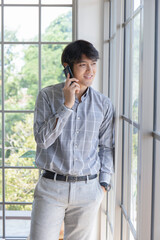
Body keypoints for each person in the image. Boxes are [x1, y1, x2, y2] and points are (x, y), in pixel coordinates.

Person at [30, 40, 114, 240]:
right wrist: (67, 106)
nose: (90, 70)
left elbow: (106, 147)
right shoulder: (47, 96)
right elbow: (42, 140)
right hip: (51, 187)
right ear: (67, 68)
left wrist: (103, 184)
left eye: (93, 64)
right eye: (83, 65)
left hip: (88, 189)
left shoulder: (103, 104)